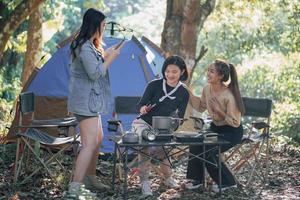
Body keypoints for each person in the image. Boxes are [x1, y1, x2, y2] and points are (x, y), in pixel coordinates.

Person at [67, 8, 123, 196]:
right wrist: (111, 59)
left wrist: (104, 55)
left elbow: (95, 67)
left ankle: (90, 179)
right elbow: (95, 73)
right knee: (89, 144)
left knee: (97, 140)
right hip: (85, 102)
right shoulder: (83, 47)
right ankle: (75, 188)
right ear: (94, 25)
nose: (105, 28)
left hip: (91, 101)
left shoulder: (90, 45)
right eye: (103, 25)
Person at [132, 55, 190, 196]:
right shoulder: (154, 85)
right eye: (167, 71)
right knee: (145, 144)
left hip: (163, 127)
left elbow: (180, 117)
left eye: (174, 72)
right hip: (143, 123)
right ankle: (145, 182)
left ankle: (168, 178)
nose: (170, 75)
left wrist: (172, 126)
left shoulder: (183, 92)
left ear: (182, 72)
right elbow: (140, 105)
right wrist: (143, 109)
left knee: (164, 148)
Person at [185, 59, 245, 192]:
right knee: (196, 143)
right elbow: (200, 107)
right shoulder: (207, 89)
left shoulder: (229, 95)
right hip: (215, 128)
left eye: (211, 71)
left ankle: (228, 183)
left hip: (232, 132)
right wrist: (188, 93)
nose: (208, 74)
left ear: (221, 76)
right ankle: (197, 180)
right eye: (208, 70)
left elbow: (235, 122)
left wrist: (220, 112)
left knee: (208, 149)